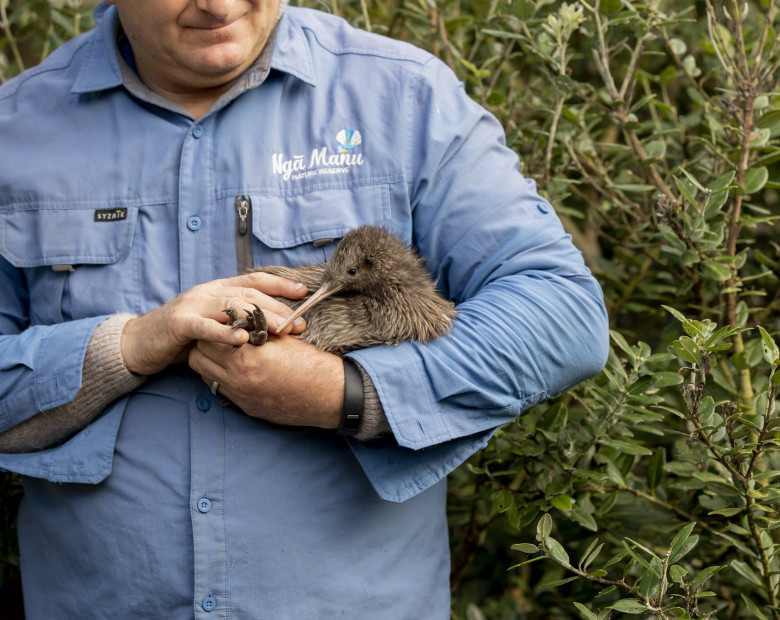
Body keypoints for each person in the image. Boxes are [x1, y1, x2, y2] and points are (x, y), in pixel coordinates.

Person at [0, 0, 608, 617]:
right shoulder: (14, 131)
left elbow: (563, 313)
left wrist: (346, 393)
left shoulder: (402, 99)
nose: (219, 5)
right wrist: (129, 346)